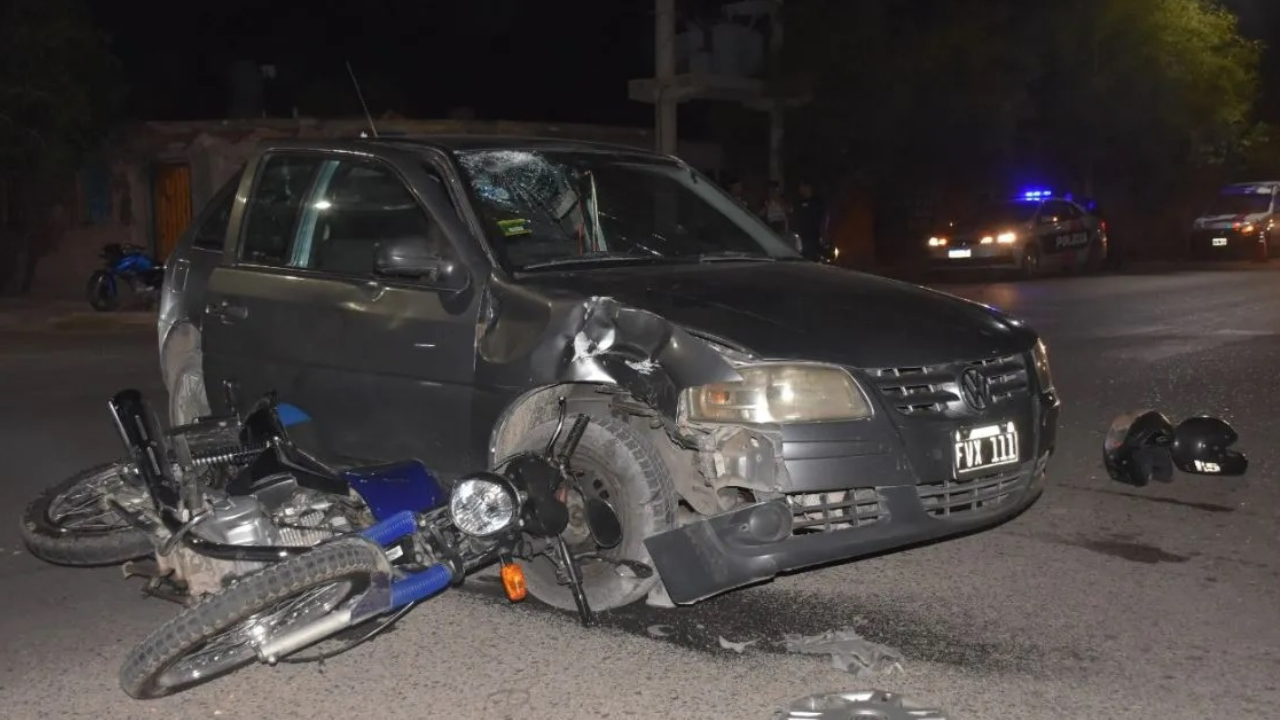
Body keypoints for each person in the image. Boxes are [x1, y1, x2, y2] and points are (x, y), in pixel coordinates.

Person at [792, 180, 827, 260]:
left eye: (801, 187)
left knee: (812, 257)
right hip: (802, 237)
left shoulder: (817, 201)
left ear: (807, 187)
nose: (799, 190)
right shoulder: (800, 202)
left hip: (814, 236)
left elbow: (824, 217)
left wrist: (823, 233)